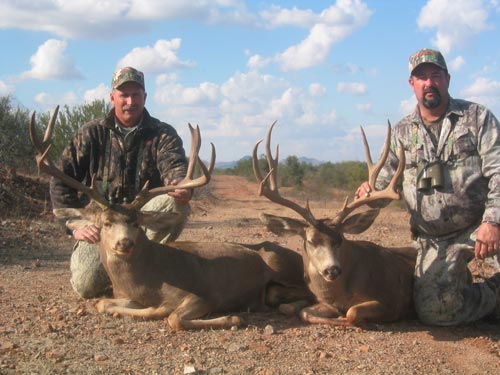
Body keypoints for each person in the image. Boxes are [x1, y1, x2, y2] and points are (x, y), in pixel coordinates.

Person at [355, 48, 500, 326]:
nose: (429, 82)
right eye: (421, 77)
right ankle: (492, 293)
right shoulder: (401, 133)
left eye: (435, 75)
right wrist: (368, 194)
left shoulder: (478, 118)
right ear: (412, 84)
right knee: (435, 312)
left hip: (482, 227)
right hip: (435, 239)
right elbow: (385, 183)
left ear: (447, 79)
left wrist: (493, 221)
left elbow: (498, 170)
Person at [50, 66, 193, 298]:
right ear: (112, 97)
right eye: (124, 95)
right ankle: (121, 275)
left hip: (139, 220)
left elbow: (174, 163)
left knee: (174, 203)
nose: (130, 101)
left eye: (136, 95)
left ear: (144, 97)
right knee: (86, 286)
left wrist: (180, 184)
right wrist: (74, 226)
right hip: (102, 222)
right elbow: (60, 180)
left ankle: (144, 270)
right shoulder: (91, 133)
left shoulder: (162, 134)